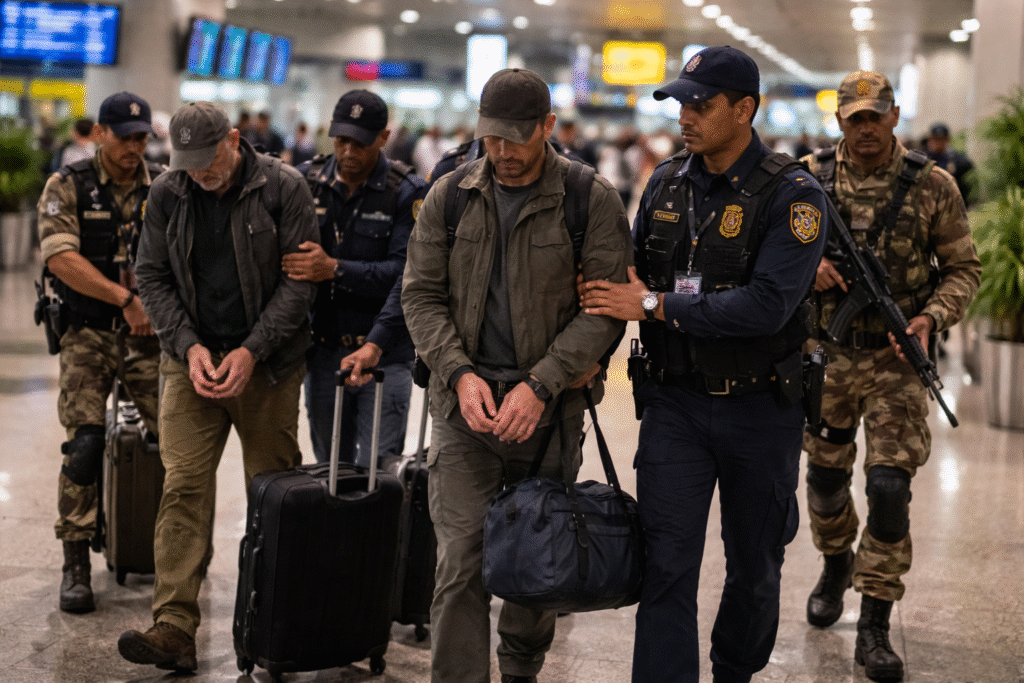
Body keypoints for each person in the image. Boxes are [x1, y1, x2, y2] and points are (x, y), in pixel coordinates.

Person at [579, 46, 829, 683]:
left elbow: (768, 306)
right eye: (680, 103)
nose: (685, 116)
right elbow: (629, 284)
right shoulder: (665, 182)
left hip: (760, 410)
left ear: (744, 110)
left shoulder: (792, 195)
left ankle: (734, 673)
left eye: (701, 104)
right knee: (665, 566)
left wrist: (657, 305)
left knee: (755, 565)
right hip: (675, 406)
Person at [401, 67, 631, 683]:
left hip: (549, 416)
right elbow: (420, 296)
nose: (501, 153)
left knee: (538, 555)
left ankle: (522, 667)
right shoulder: (450, 195)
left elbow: (605, 309)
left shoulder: (589, 199)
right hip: (463, 413)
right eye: (490, 138)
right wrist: (458, 374)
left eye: (516, 138)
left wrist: (543, 382)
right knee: (459, 563)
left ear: (548, 127)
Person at [117, 101, 318, 672]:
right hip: (193, 364)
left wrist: (252, 351)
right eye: (189, 164)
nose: (200, 173)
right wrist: (190, 346)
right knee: (182, 484)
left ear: (234, 140)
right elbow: (151, 276)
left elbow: (298, 285)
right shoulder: (168, 191)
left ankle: (275, 621)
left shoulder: (285, 188)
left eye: (209, 160)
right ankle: (174, 627)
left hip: (269, 367)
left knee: (271, 494)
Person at [799, 72, 981, 681]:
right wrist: (811, 265)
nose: (867, 128)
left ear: (895, 115)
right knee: (824, 482)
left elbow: (963, 270)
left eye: (876, 116)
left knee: (888, 490)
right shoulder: (807, 179)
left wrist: (931, 317)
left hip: (897, 362)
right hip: (825, 354)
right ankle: (834, 561)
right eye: (856, 118)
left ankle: (875, 619)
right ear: (840, 121)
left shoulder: (933, 186)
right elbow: (764, 255)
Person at [37, 92, 163, 615]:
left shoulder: (164, 187)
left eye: (141, 138)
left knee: (176, 445)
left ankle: (171, 553)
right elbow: (60, 257)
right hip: (87, 332)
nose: (135, 147)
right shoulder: (67, 184)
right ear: (100, 134)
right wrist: (123, 299)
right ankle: (75, 561)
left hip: (150, 338)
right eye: (125, 136)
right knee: (86, 444)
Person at [285, 89, 427, 466]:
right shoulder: (306, 183)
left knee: (380, 472)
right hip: (324, 353)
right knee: (330, 467)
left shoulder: (406, 193)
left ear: (383, 138)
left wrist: (333, 268)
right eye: (341, 140)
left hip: (385, 354)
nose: (348, 152)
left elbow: (406, 276)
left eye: (360, 143)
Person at [925, 122, 975, 206]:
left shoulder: (959, 161)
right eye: (936, 139)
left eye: (942, 139)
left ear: (948, 139)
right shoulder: (923, 160)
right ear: (930, 140)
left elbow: (967, 186)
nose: (938, 143)